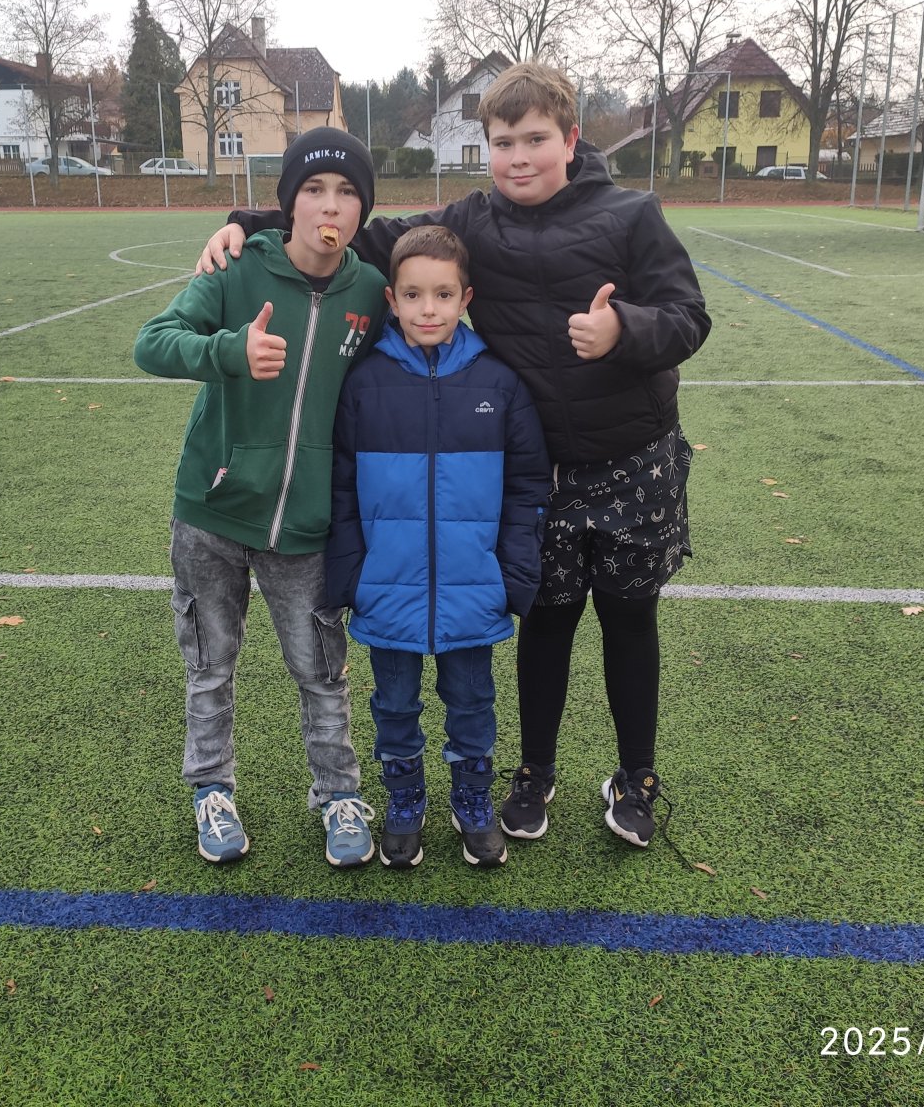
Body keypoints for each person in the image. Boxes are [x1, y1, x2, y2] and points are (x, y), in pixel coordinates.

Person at [197, 64, 712, 850]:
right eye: (503, 142)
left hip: (632, 457)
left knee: (630, 617)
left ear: (572, 140)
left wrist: (624, 330)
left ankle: (636, 775)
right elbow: (366, 236)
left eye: (535, 139)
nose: (519, 157)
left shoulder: (632, 216)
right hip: (541, 468)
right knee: (547, 620)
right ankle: (533, 772)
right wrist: (252, 221)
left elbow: (688, 316)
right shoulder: (473, 220)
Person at [135, 127, 388, 868]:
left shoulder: (370, 292)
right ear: (288, 204)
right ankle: (211, 789)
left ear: (362, 210)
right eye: (313, 189)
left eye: (346, 193)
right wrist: (229, 351)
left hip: (305, 524)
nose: (329, 206)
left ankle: (338, 794)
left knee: (321, 671)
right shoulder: (238, 268)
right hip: (211, 512)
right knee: (210, 665)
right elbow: (153, 342)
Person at [326, 225, 549, 869]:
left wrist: (511, 575)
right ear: (391, 300)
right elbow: (340, 486)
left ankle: (472, 801)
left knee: (473, 702)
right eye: (413, 295)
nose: (429, 309)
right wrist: (354, 574)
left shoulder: (499, 383)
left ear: (465, 298)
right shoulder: (363, 383)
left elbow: (528, 486)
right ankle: (405, 802)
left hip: (473, 589)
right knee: (393, 704)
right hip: (386, 588)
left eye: (444, 295)